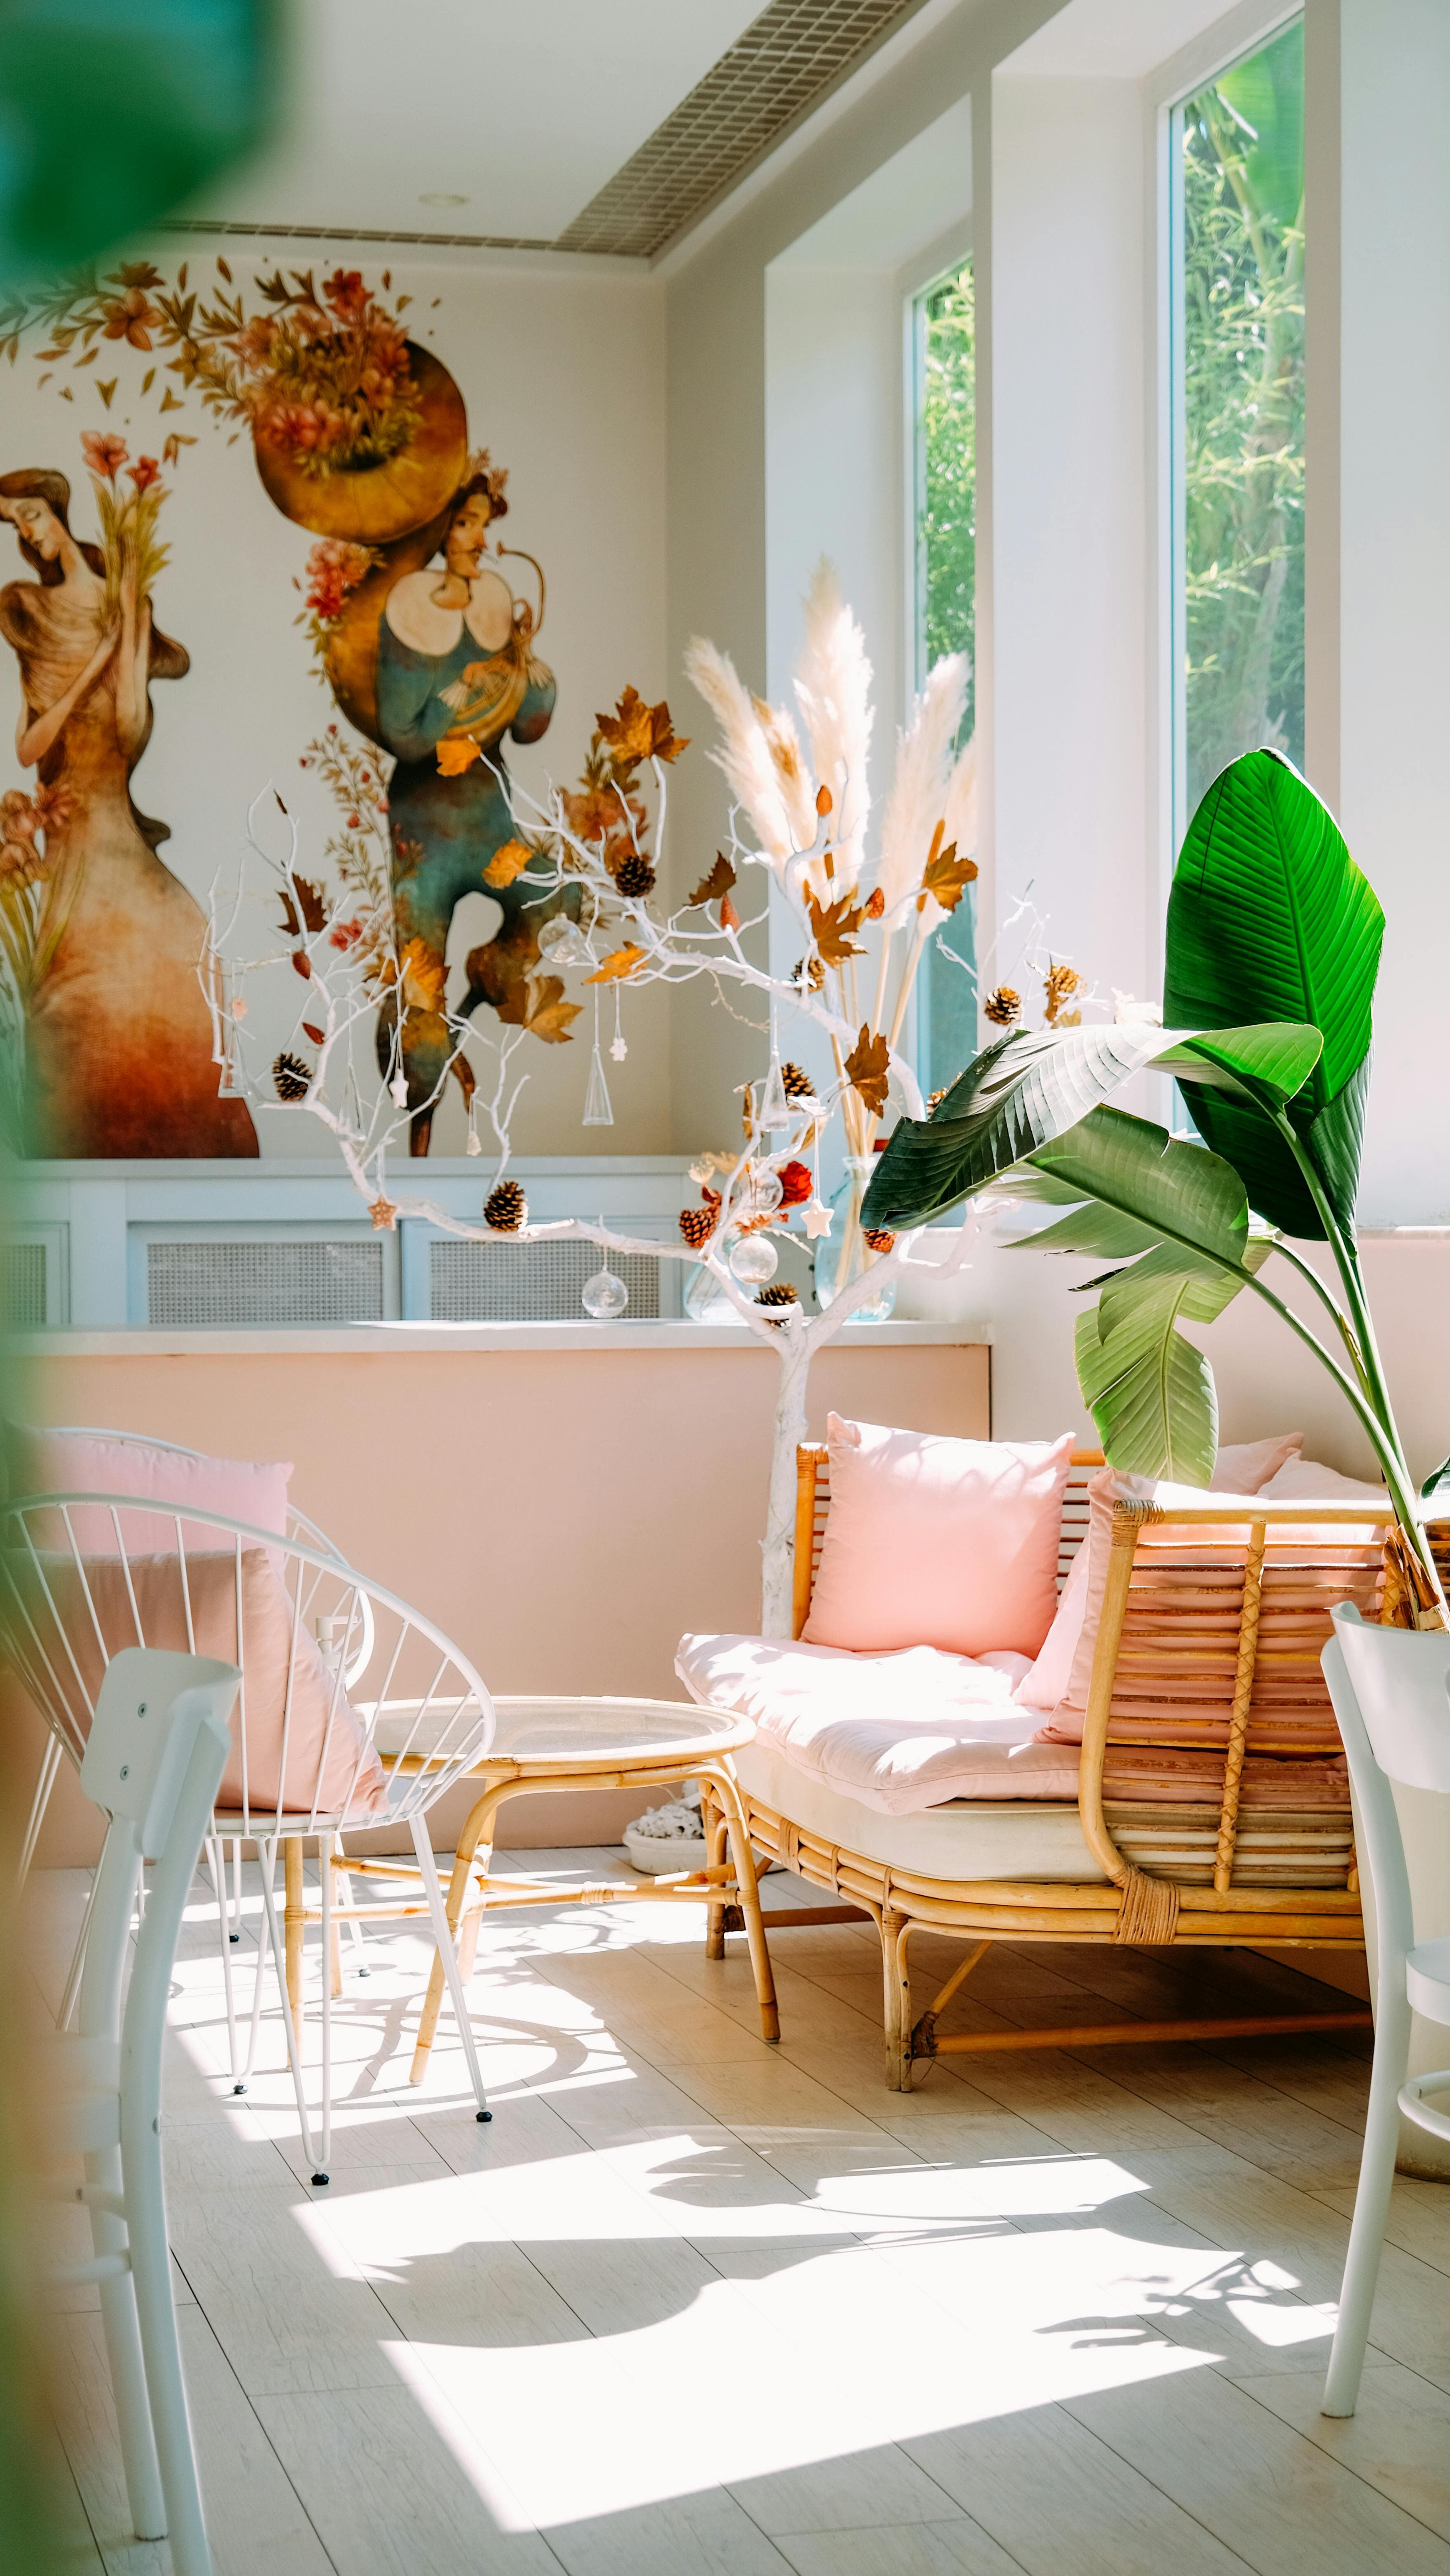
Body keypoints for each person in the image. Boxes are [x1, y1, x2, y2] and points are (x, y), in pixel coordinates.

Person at [0, 467, 256, 1156]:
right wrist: (95, 664)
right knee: (75, 991)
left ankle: (188, 1150)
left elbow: (129, 729)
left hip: (114, 811)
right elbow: (29, 746)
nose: (27, 531)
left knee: (183, 941)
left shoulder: (122, 601)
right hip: (70, 822)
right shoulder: (26, 606)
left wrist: (131, 629)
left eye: (31, 513)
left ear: (57, 509)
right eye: (16, 523)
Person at [374, 462, 556, 1153]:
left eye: (484, 524)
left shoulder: (497, 603)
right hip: (424, 825)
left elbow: (528, 727)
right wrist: (458, 692)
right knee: (419, 994)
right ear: (441, 532)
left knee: (557, 893)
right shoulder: (408, 612)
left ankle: (480, 988)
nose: (480, 538)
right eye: (467, 524)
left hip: (488, 817)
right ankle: (418, 1133)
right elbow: (404, 734)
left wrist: (533, 676)